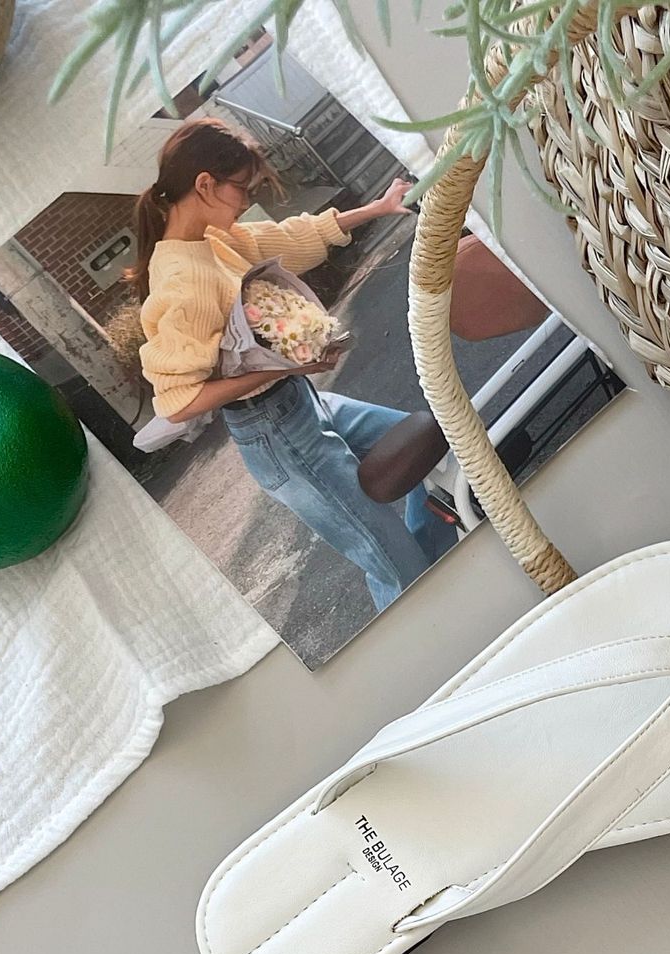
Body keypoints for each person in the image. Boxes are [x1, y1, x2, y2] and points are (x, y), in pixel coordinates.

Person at [134, 120, 454, 611]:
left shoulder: (213, 240)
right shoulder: (181, 280)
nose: (247, 200)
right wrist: (286, 366)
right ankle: (432, 615)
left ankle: (443, 583)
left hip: (303, 404)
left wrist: (377, 208)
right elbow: (180, 402)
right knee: (395, 567)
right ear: (205, 184)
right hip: (277, 434)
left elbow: (286, 238)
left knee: (437, 447)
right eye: (243, 188)